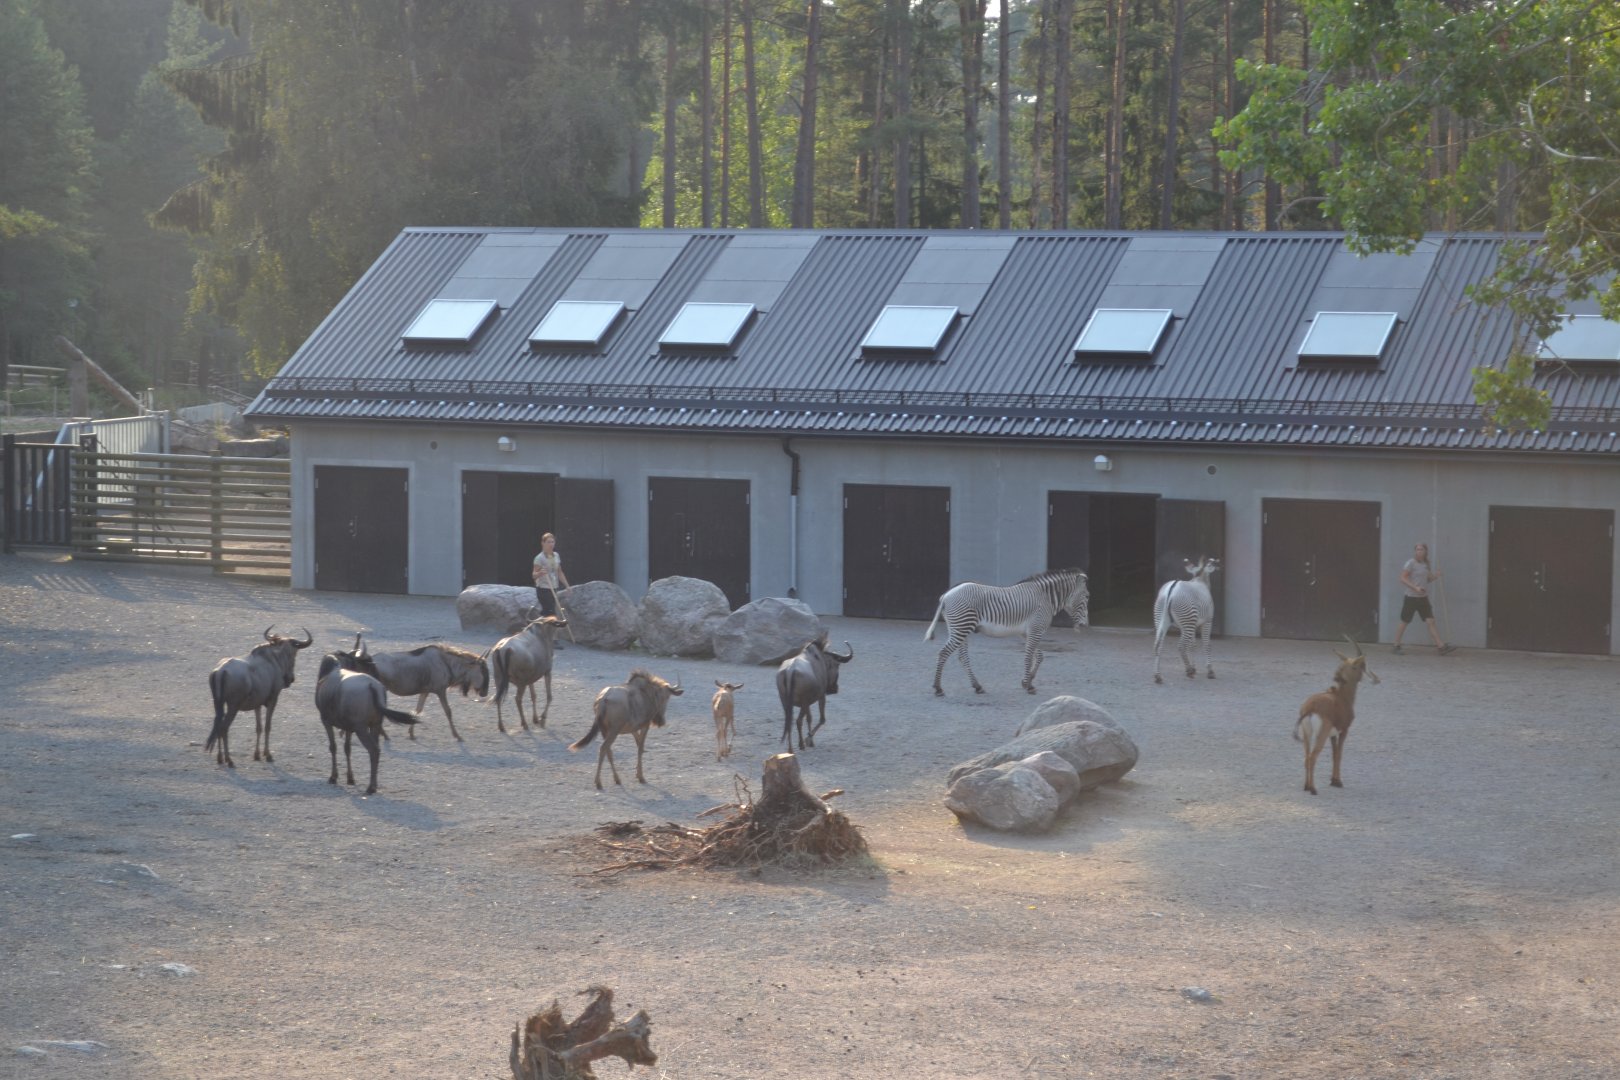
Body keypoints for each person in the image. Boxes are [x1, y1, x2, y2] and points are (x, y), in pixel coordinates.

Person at [1392, 542, 1455, 655]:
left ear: (1425, 551)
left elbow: (1428, 579)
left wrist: (1436, 575)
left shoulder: (1426, 564)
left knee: (1430, 621)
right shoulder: (1411, 563)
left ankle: (1441, 647)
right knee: (1405, 621)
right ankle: (1396, 645)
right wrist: (1415, 587)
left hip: (1423, 598)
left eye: (1421, 549)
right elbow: (1402, 578)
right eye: (1417, 549)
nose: (1419, 551)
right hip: (1411, 597)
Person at [531, 532, 571, 617]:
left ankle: (540, 626)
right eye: (548, 542)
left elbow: (559, 572)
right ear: (543, 543)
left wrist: (567, 585)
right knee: (551, 614)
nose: (551, 544)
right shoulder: (539, 558)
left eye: (552, 542)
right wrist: (540, 573)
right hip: (544, 589)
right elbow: (534, 575)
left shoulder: (556, 555)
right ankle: (544, 627)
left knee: (549, 614)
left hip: (554, 587)